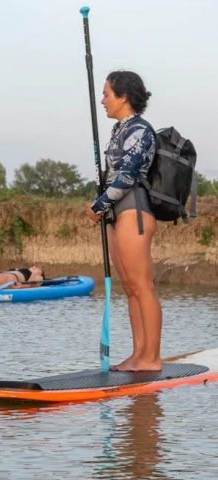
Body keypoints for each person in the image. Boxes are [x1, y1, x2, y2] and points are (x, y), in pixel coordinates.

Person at [85, 70, 160, 372]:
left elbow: (128, 176)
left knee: (142, 285)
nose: (102, 100)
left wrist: (98, 205)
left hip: (134, 211)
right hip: (117, 213)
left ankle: (152, 358)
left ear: (124, 97)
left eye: (106, 94)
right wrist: (103, 206)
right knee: (129, 287)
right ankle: (138, 354)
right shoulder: (120, 129)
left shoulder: (140, 130)